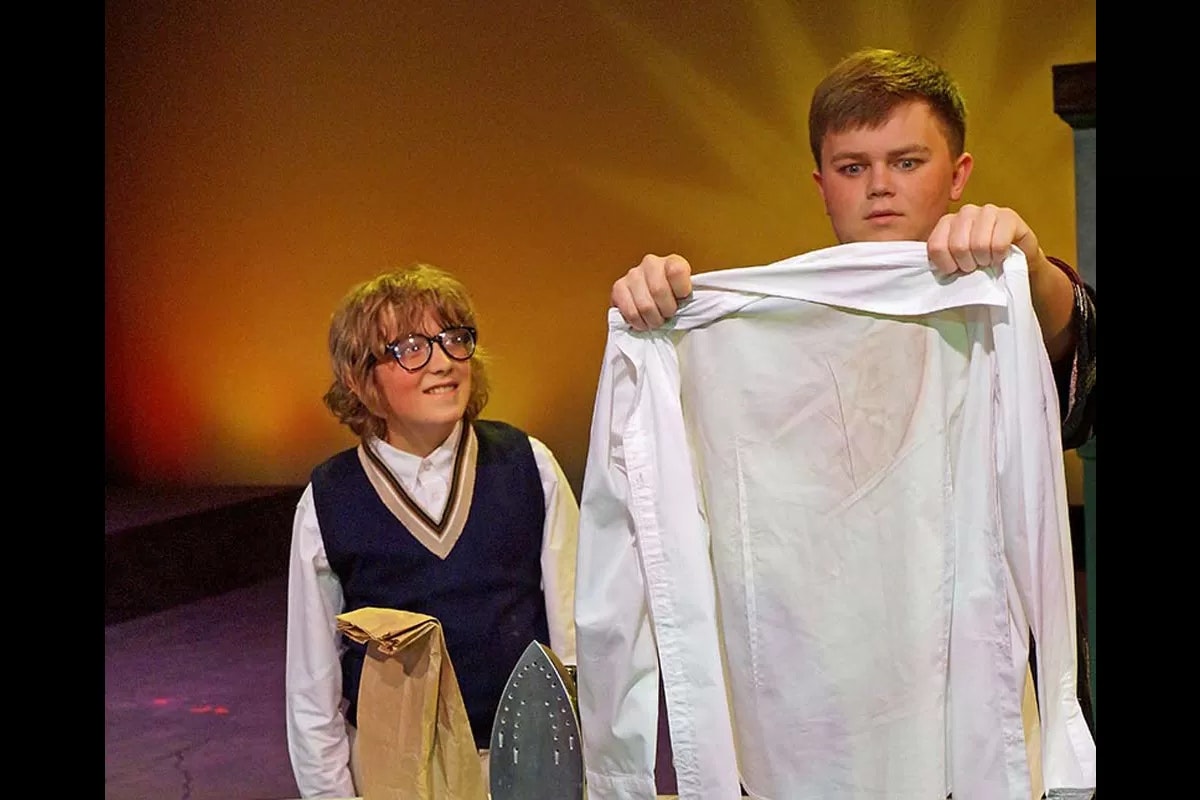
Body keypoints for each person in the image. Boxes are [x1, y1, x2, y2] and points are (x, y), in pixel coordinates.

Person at [610, 47, 1096, 451]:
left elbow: (1081, 399)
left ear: (957, 174)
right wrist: (661, 317)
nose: (880, 186)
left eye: (906, 163)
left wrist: (1030, 269)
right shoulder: (767, 325)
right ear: (822, 187)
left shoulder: (999, 292)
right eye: (852, 168)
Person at [285, 263, 579, 798]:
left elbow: (577, 639)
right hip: (395, 773)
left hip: (524, 765)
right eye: (412, 347)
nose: (443, 362)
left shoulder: (526, 465)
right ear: (360, 376)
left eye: (454, 339)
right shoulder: (329, 499)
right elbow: (312, 687)